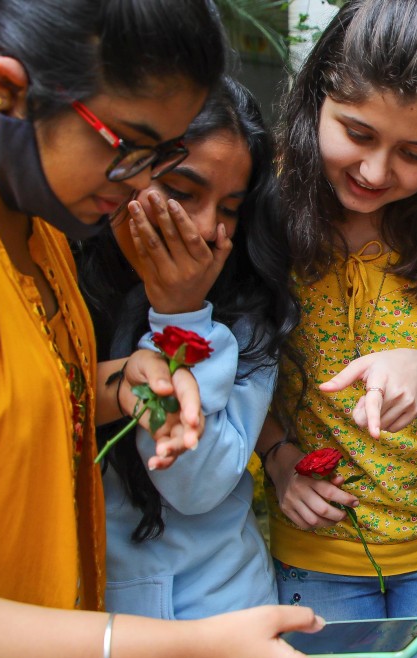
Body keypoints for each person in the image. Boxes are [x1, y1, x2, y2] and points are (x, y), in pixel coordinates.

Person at [0, 1, 325, 658]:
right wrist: (195, 647)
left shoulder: (34, 215)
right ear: (4, 87)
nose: (138, 182)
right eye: (128, 145)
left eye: (159, 156)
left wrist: (120, 385)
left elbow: (17, 397)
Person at [257, 1, 417, 658]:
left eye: (415, 153)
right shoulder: (266, 206)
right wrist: (278, 460)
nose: (373, 171)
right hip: (319, 546)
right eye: (357, 133)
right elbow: (240, 366)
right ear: (317, 99)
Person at [76, 76, 299, 619]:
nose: (203, 228)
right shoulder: (59, 277)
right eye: (181, 192)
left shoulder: (248, 310)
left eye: (229, 208)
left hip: (217, 610)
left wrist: (180, 314)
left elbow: (196, 485)